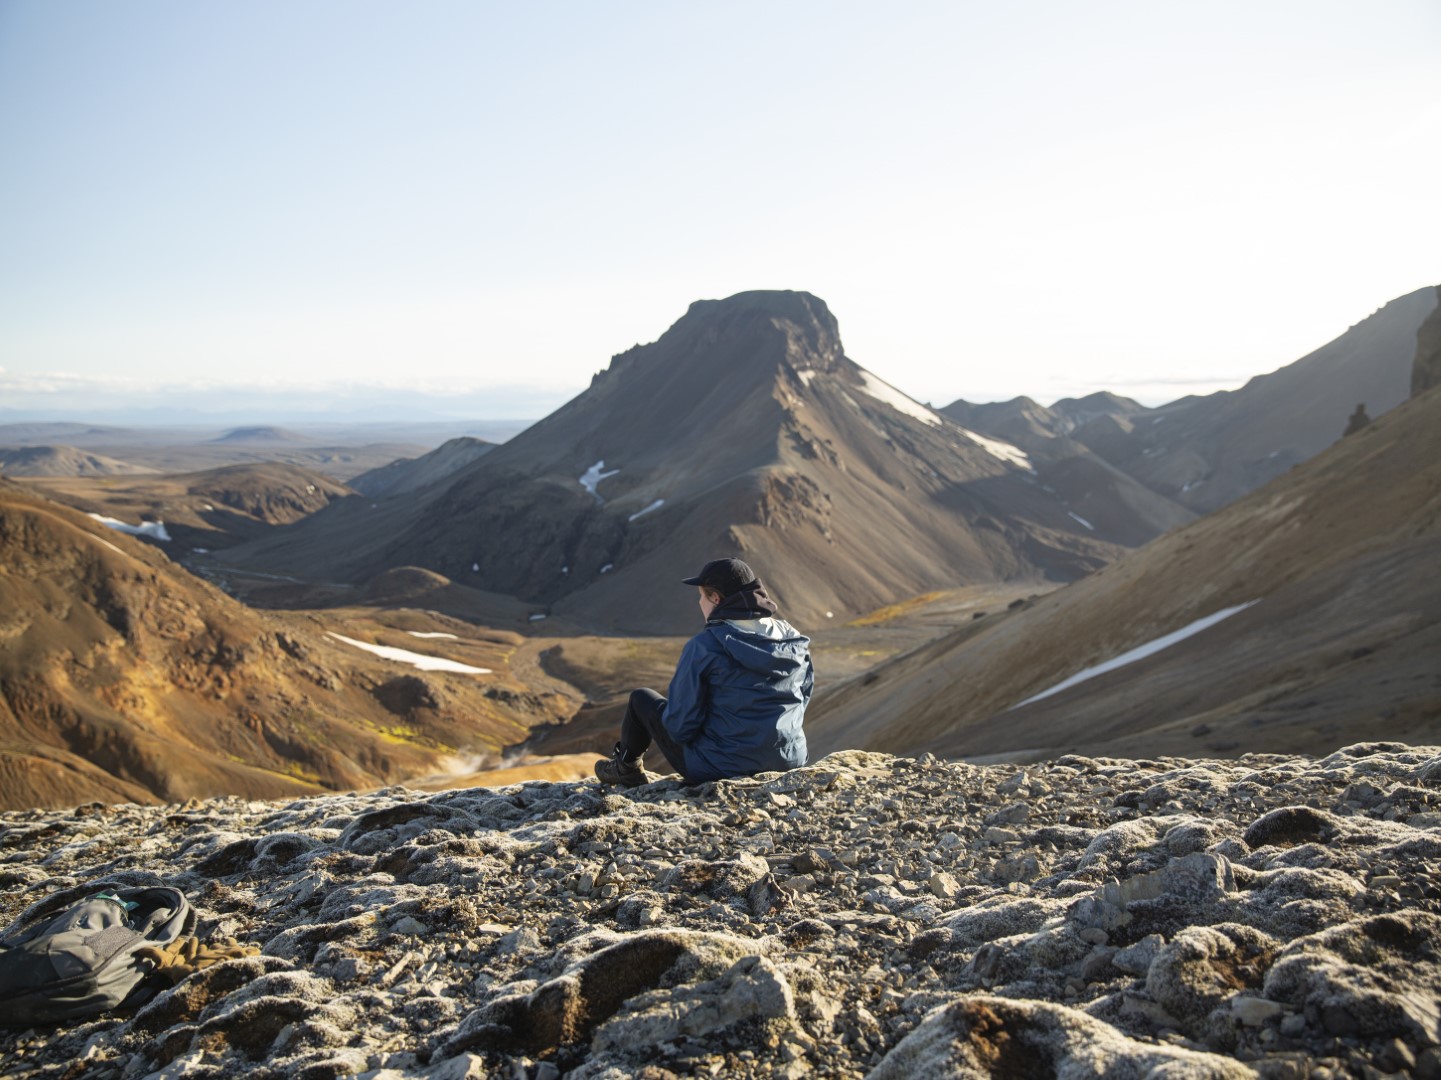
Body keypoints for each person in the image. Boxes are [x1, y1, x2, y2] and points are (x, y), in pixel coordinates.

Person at [594, 557, 813, 787]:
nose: (700, 602)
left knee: (641, 699)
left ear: (716, 599)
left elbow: (679, 728)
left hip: (720, 768)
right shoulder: (793, 638)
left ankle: (626, 767)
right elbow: (803, 696)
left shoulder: (704, 646)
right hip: (789, 762)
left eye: (702, 596)